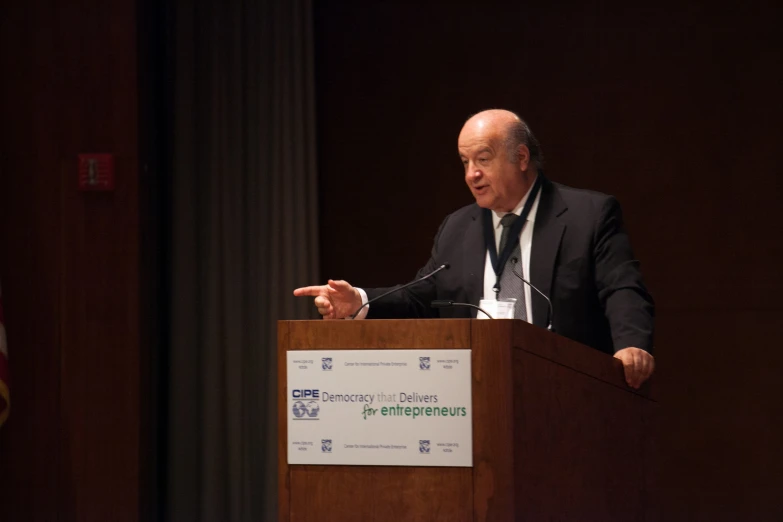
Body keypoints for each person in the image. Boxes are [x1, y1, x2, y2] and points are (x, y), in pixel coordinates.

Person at [295, 109, 655, 389]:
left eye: (482, 159)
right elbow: (422, 297)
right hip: (479, 392)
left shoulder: (586, 216)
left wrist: (631, 345)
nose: (471, 174)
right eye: (465, 162)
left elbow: (621, 287)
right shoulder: (457, 228)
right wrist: (360, 301)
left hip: (568, 391)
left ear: (522, 157)